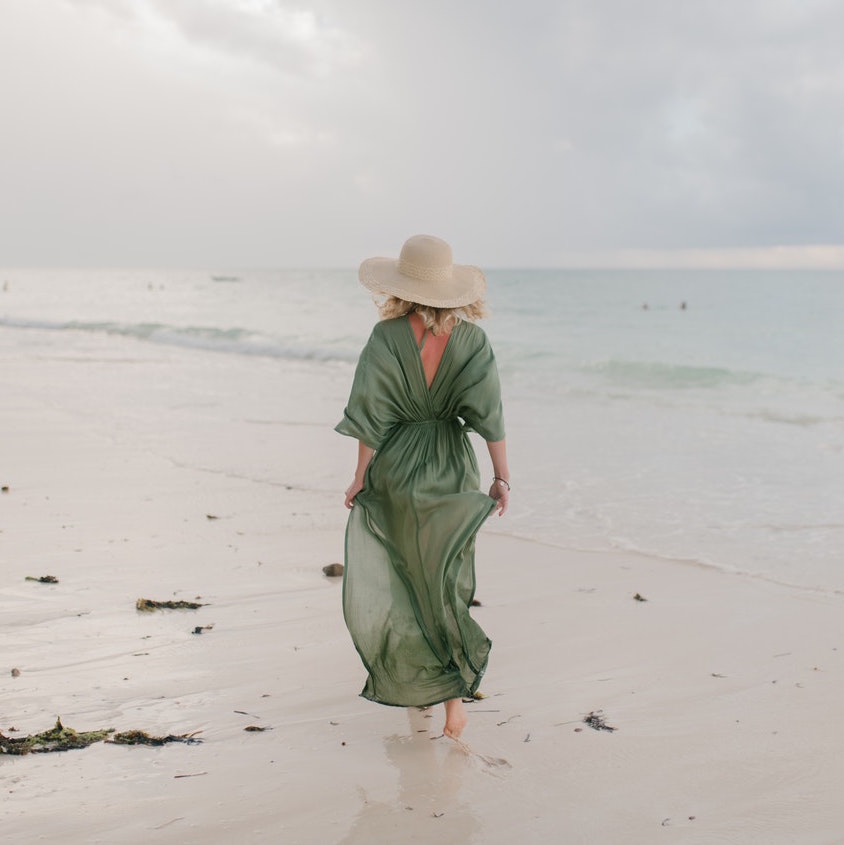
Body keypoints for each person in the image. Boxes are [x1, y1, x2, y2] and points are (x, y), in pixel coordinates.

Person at [336, 234, 510, 740]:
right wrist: (501, 478)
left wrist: (361, 474)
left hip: (397, 467)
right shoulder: (474, 341)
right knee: (446, 580)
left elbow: (369, 415)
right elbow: (490, 417)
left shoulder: (387, 336)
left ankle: (428, 687)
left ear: (402, 286)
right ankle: (453, 698)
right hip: (454, 470)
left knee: (410, 579)